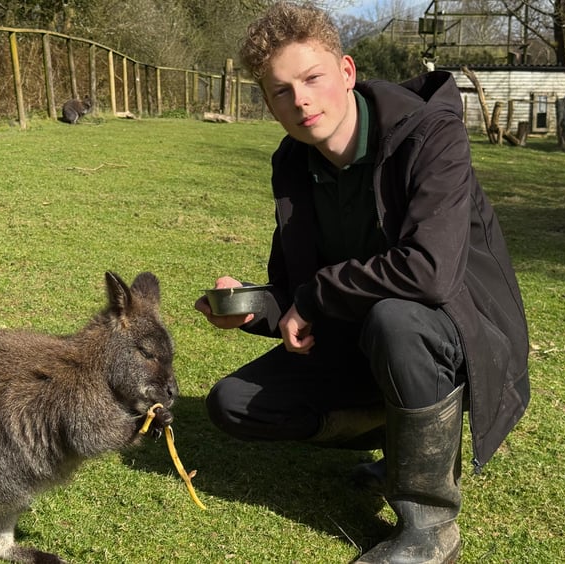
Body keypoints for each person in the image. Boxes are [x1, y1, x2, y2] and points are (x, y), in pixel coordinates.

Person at [194, 2, 530, 563]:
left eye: (312, 78)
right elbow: (301, 289)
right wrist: (256, 307)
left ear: (347, 72)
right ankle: (406, 445)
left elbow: (429, 271)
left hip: (461, 335)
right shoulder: (295, 162)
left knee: (395, 317)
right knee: (235, 403)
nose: (300, 100)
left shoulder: (431, 135)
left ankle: (428, 527)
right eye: (280, 90)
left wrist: (315, 295)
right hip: (365, 338)